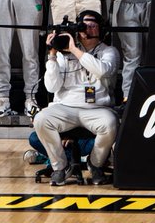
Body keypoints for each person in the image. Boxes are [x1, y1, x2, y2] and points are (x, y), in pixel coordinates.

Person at [33, 9, 121, 187]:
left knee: (111, 123)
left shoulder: (109, 52)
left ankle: (95, 163)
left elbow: (103, 70)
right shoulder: (63, 52)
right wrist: (52, 56)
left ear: (100, 29)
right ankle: (60, 166)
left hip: (97, 109)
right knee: (41, 119)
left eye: (93, 25)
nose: (88, 28)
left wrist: (74, 49)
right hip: (65, 107)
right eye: (84, 25)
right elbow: (51, 87)